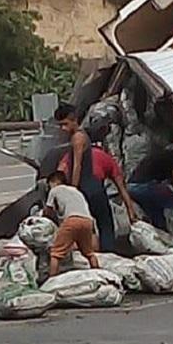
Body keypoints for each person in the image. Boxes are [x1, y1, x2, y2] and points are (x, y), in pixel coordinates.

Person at [53, 103, 115, 251]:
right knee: (102, 223)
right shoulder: (80, 136)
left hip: (87, 186)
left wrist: (73, 189)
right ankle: (105, 251)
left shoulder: (78, 138)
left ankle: (106, 252)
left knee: (102, 223)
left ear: (73, 119)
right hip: (92, 186)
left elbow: (77, 165)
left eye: (65, 124)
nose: (63, 129)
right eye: (60, 125)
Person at [128, 147, 173, 242]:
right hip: (145, 186)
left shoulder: (162, 157)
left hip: (131, 188)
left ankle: (161, 238)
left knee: (156, 213)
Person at [58, 142, 139, 225]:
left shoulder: (70, 156)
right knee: (105, 225)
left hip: (77, 192)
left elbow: (59, 174)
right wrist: (130, 211)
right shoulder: (106, 157)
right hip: (95, 189)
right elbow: (122, 188)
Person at [44, 170, 99, 277]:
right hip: (87, 221)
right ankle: (98, 273)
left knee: (56, 253)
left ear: (54, 181)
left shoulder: (55, 190)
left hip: (72, 220)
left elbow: (48, 210)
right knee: (89, 253)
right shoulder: (76, 191)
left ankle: (52, 279)